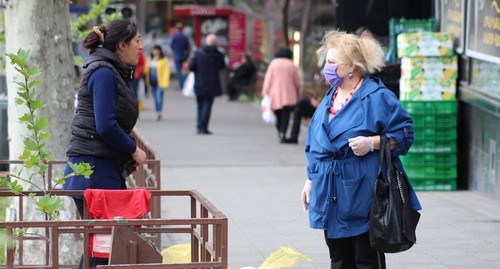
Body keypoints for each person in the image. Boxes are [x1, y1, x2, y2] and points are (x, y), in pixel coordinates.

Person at [300, 30, 422, 269]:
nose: (327, 67)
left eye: (332, 62)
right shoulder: (330, 97)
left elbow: (405, 134)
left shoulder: (377, 97)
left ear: (352, 67)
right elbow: (315, 144)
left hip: (363, 193)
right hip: (330, 193)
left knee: (366, 260)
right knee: (338, 258)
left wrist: (373, 143)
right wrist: (310, 179)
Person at [62, 19, 147, 268]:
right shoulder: (103, 73)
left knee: (103, 247)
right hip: (92, 172)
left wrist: (125, 155)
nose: (141, 47)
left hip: (100, 170)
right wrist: (134, 149)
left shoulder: (111, 71)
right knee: (102, 249)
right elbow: (106, 125)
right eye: (138, 41)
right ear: (122, 45)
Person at [188, 33, 226, 135]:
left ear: (206, 42)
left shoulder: (198, 53)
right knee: (208, 105)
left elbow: (191, 67)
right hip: (213, 84)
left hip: (199, 82)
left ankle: (199, 126)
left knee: (200, 105)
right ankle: (204, 127)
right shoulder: (219, 54)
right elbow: (222, 66)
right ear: (216, 43)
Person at [261, 47, 301, 143]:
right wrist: (298, 92)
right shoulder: (291, 65)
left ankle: (279, 131)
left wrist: (265, 91)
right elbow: (297, 81)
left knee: (277, 113)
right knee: (285, 115)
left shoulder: (274, 63)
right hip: (289, 94)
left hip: (275, 94)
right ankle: (283, 132)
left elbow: (268, 79)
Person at [144, 45, 170, 121]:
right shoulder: (150, 58)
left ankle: (159, 112)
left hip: (160, 82)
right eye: (154, 50)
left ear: (160, 51)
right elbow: (146, 70)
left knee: (159, 97)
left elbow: (166, 71)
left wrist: (165, 82)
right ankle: (157, 111)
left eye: (157, 50)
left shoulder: (163, 59)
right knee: (155, 97)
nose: (155, 52)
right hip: (152, 82)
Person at [171, 22, 191, 89]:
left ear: (177, 28)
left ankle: (182, 85)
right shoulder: (185, 36)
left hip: (177, 55)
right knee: (184, 71)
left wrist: (174, 51)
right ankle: (184, 84)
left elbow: (172, 46)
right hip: (184, 56)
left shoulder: (175, 36)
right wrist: (187, 55)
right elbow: (188, 47)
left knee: (179, 71)